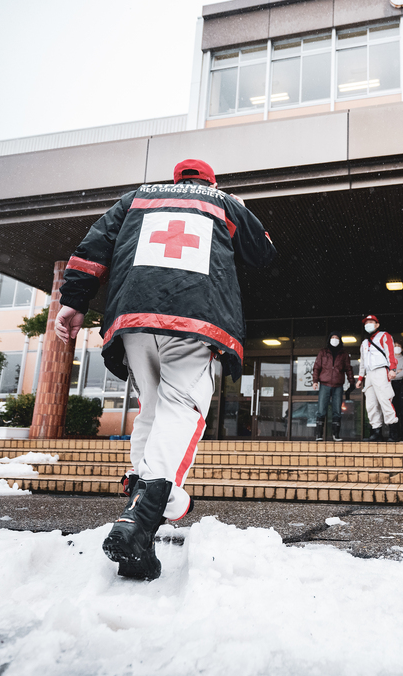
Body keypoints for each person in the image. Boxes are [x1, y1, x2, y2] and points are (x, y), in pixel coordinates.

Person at [54, 158, 276, 580]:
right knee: (181, 407)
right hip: (195, 317)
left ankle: (144, 504)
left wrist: (74, 301)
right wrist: (240, 211)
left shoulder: (137, 197)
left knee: (152, 410)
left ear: (176, 180)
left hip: (133, 316)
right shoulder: (223, 202)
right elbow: (262, 252)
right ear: (210, 181)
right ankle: (142, 518)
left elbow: (91, 248)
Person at [355, 314, 399, 442]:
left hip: (381, 371)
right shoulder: (364, 342)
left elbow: (390, 353)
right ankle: (376, 432)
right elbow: (362, 362)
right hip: (369, 374)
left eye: (371, 322)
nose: (368, 324)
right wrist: (360, 378)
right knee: (371, 404)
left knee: (385, 399)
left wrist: (392, 369)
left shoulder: (385, 335)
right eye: (366, 322)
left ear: (377, 324)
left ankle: (393, 432)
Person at [311, 331, 354, 441]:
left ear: (340, 340)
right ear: (329, 339)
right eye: (332, 337)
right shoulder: (323, 352)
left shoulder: (343, 354)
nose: (334, 339)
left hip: (338, 385)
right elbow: (317, 367)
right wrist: (315, 381)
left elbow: (348, 369)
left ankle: (336, 435)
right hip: (324, 384)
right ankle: (319, 435)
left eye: (336, 338)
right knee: (321, 409)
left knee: (337, 410)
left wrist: (352, 381)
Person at [390, 344, 403, 441]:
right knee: (393, 411)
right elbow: (387, 372)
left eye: (398, 346)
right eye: (394, 345)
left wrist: (394, 373)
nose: (397, 347)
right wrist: (397, 372)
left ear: (402, 348)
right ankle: (394, 436)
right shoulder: (389, 359)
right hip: (391, 385)